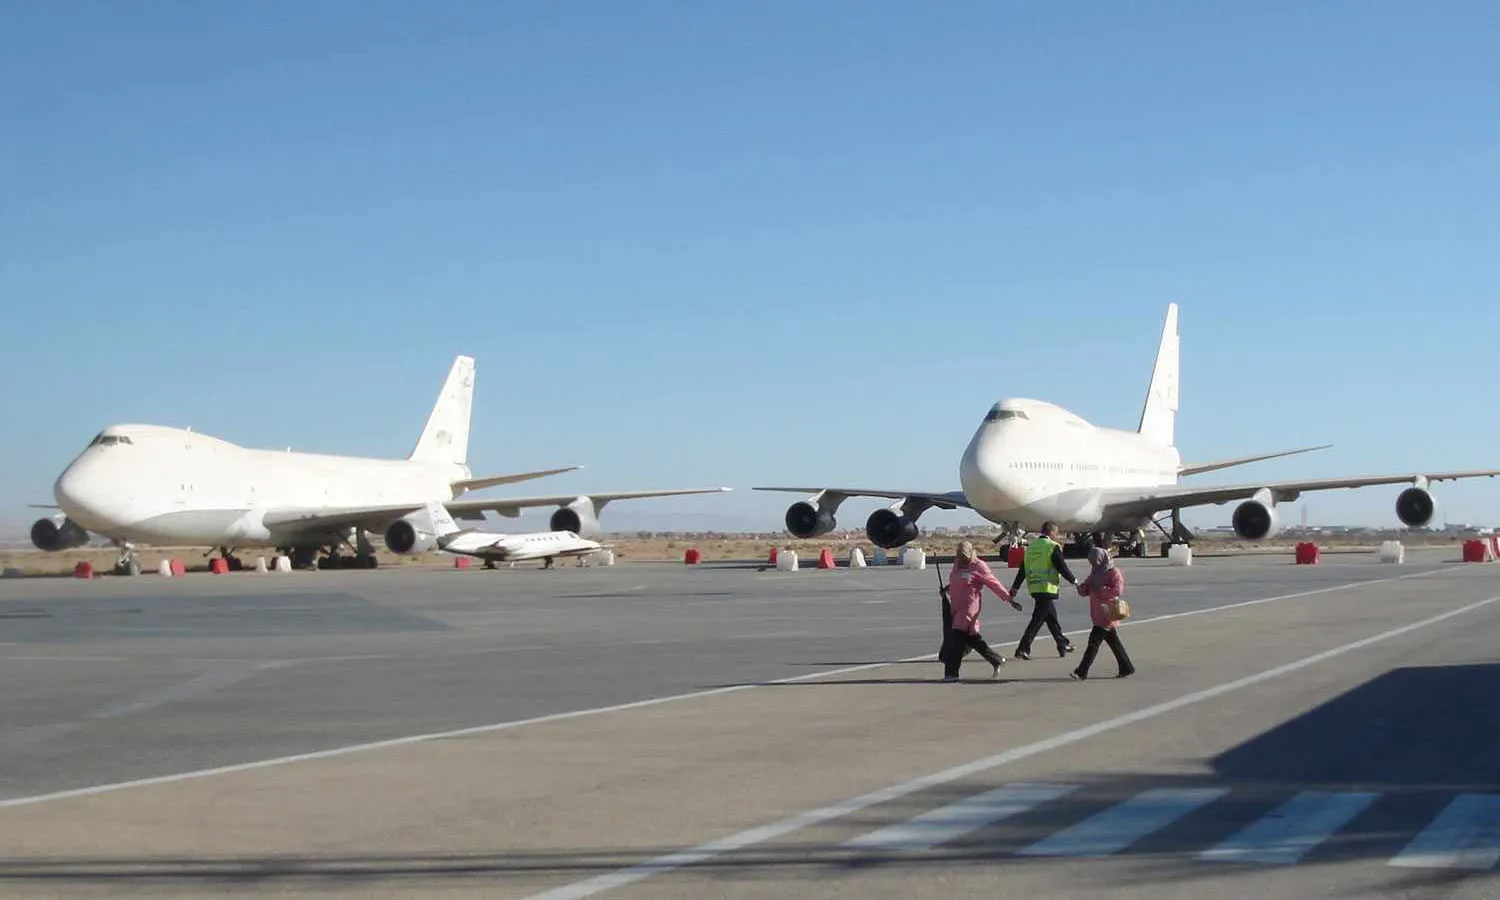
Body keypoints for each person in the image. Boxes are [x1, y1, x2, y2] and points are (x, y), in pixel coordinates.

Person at [940, 540, 1023, 682]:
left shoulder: (979, 566)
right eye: (960, 557)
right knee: (971, 638)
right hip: (956, 606)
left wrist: (1008, 599)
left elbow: (994, 584)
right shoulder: (957, 564)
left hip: (969, 607)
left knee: (956, 638)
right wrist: (947, 589)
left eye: (964, 557)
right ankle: (996, 659)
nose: (962, 560)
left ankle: (951, 673)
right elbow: (956, 580)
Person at [1009, 521, 1079, 660]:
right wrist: (1075, 581)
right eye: (1056, 532)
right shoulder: (1052, 547)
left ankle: (1062, 643)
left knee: (1051, 618)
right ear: (1051, 532)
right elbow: (1062, 567)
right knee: (1037, 619)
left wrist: (1015, 587)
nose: (1057, 535)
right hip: (1047, 587)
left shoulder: (1031, 547)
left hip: (1034, 587)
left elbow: (1023, 570)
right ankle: (1023, 648)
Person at [1072, 544, 1136, 679]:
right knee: (1114, 642)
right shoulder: (1095, 572)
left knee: (1093, 643)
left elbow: (1117, 590)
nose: (1093, 564)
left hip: (1107, 613)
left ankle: (1081, 671)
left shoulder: (1114, 572)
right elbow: (1087, 589)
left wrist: (1101, 590)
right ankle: (1126, 667)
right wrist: (1082, 588)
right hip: (1097, 611)